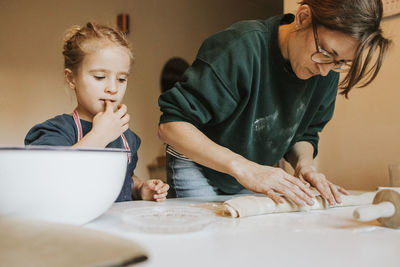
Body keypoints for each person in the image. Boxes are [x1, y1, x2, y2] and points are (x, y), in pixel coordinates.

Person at [158, 0, 391, 205]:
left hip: (251, 170)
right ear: (303, 17)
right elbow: (172, 125)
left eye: (340, 62)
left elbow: (304, 134)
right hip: (198, 165)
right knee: (205, 241)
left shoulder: (326, 73)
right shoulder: (241, 47)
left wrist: (304, 166)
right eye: (326, 53)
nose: (325, 70)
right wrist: (245, 169)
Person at [25, 22, 169, 202]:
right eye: (100, 77)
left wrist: (140, 189)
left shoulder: (127, 138)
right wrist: (99, 136)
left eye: (122, 79)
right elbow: (49, 176)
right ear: (71, 79)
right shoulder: (55, 130)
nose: (113, 88)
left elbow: (126, 179)